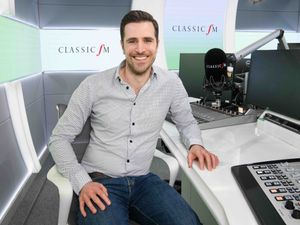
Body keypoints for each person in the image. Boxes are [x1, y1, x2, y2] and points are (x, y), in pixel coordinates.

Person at [49, 10, 219, 225]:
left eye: (147, 40)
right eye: (132, 41)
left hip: (144, 181)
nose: (140, 49)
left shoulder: (171, 84)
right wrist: (82, 182)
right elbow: (59, 139)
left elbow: (186, 122)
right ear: (122, 45)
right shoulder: (93, 85)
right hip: (101, 182)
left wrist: (196, 144)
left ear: (157, 43)